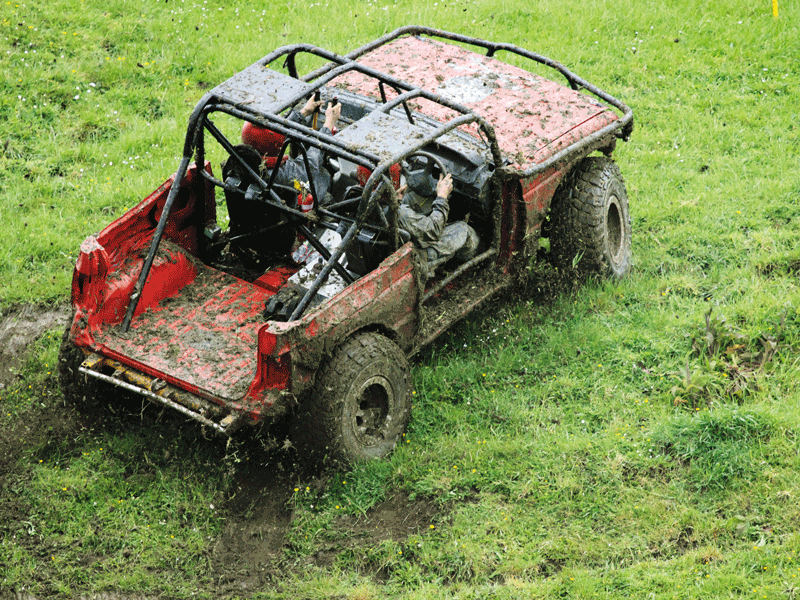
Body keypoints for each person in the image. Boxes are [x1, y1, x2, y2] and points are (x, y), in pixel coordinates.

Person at [394, 172, 479, 278]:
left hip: (400, 245)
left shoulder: (377, 202)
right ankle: (468, 269)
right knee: (465, 230)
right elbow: (433, 230)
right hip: (419, 256)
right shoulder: (400, 212)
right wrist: (442, 196)